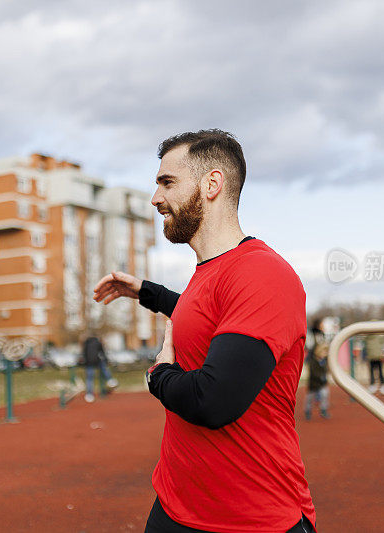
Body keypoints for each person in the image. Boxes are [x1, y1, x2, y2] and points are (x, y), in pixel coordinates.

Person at [93, 130, 316, 532]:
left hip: (251, 517)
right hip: (176, 505)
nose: (155, 198)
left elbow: (212, 400)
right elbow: (203, 316)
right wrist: (147, 292)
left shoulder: (262, 274)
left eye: (167, 182)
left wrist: (158, 375)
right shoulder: (210, 271)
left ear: (212, 184)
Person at [80, 333, 118, 403]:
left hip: (89, 363)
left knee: (89, 379)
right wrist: (106, 360)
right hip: (97, 361)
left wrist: (83, 362)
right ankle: (110, 380)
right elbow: (102, 353)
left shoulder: (86, 343)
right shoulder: (98, 343)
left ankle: (89, 394)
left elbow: (83, 353)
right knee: (104, 368)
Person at [305, 321, 330, 420]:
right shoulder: (312, 335)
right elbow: (310, 346)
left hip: (322, 379)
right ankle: (307, 410)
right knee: (310, 396)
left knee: (325, 393)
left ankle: (323, 409)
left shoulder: (324, 360)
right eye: (322, 325)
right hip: (314, 379)